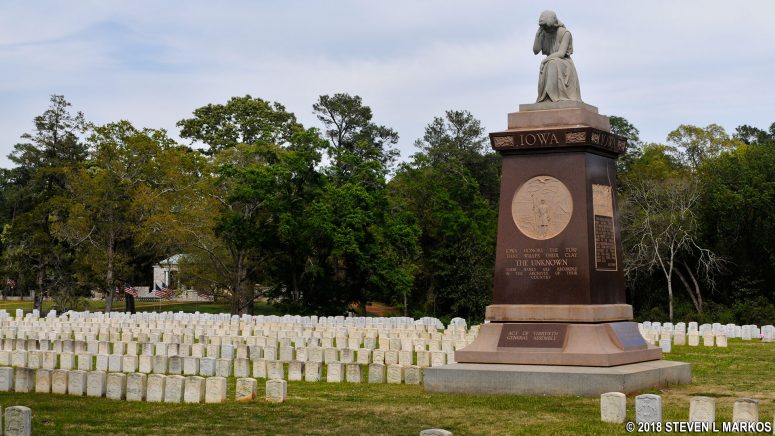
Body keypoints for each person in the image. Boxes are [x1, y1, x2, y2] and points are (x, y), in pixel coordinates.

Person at [532, 10, 582, 103]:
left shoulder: (565, 33)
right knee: (550, 63)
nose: (547, 30)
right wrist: (538, 35)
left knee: (552, 63)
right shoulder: (543, 33)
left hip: (563, 63)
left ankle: (552, 96)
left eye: (548, 28)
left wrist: (544, 61)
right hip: (550, 61)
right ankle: (546, 97)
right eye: (545, 28)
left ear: (554, 24)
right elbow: (535, 50)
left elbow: (561, 53)